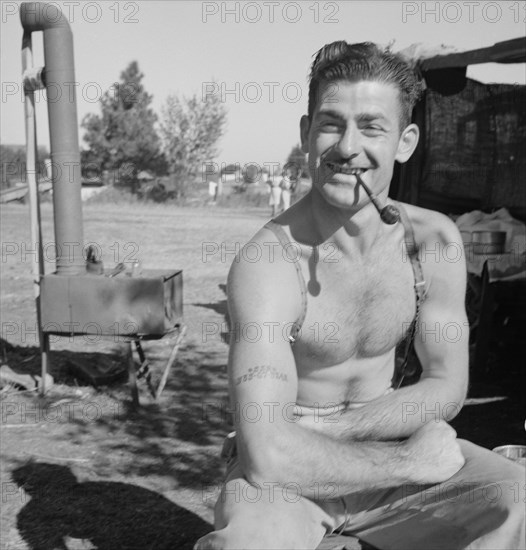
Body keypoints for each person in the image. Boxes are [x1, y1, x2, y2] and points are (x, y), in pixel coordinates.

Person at [195, 41, 525, 550]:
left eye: (372, 126)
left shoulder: (432, 242)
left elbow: (447, 385)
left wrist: (337, 434)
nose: (348, 146)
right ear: (306, 134)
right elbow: (267, 456)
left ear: (406, 141)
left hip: (368, 446)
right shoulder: (267, 263)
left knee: (513, 493)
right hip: (289, 478)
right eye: (331, 123)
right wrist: (409, 461)